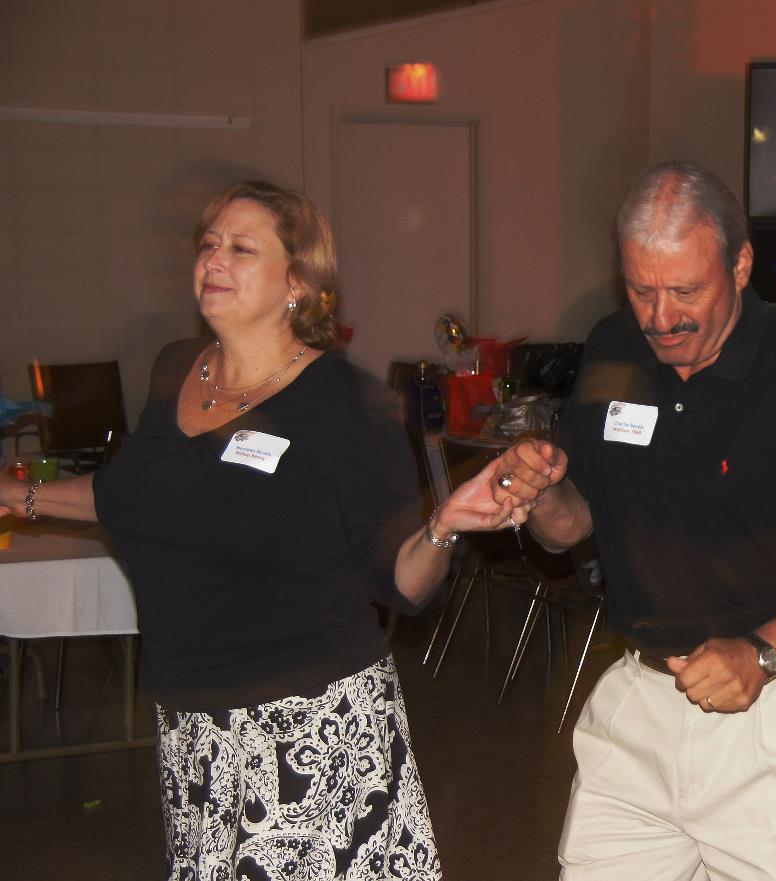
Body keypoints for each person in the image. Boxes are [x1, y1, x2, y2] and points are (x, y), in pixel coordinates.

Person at [0, 180, 530, 880]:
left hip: (309, 727)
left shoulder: (347, 401)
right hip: (191, 724)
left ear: (298, 283)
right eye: (209, 244)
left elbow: (400, 582)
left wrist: (442, 526)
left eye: (243, 249)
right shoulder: (175, 368)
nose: (215, 260)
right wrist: (18, 495)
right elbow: (128, 494)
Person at [489, 161, 776, 880]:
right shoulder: (614, 347)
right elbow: (572, 526)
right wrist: (541, 495)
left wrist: (762, 651)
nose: (661, 319)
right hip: (641, 703)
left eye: (686, 291)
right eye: (641, 289)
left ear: (740, 265)